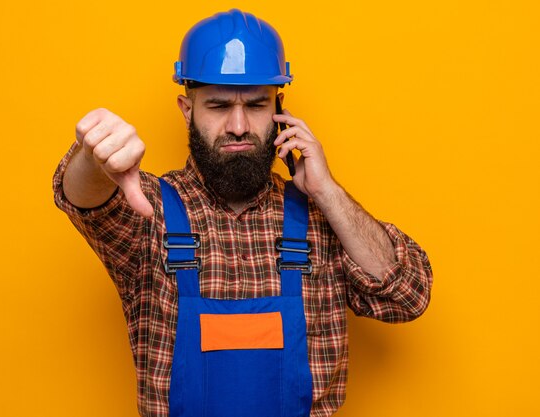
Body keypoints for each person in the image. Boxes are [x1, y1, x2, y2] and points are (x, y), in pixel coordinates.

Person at [53, 9, 433, 417]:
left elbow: (407, 296)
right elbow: (83, 198)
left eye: (255, 105)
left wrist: (327, 191)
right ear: (187, 109)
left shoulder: (321, 219)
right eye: (218, 105)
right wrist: (94, 159)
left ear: (279, 109)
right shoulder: (149, 211)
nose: (238, 126)